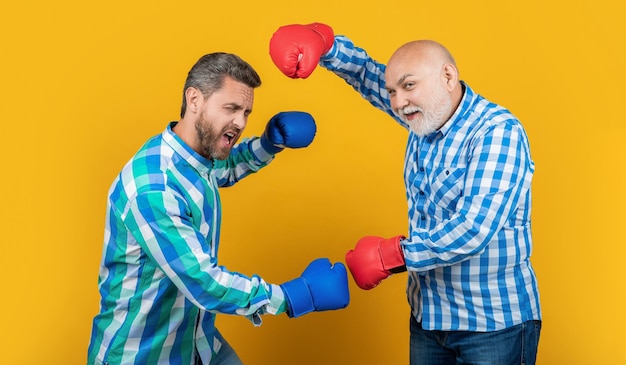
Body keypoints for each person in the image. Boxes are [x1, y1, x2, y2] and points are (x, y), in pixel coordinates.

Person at [269, 23, 542, 365]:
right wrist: (324, 43)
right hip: (428, 318)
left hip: (491, 325)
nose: (398, 102)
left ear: (448, 76)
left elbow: (474, 229)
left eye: (409, 86)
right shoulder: (427, 116)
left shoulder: (497, 132)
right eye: (393, 92)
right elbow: (368, 73)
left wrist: (391, 256)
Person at [87, 52, 350, 365]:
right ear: (194, 99)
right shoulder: (155, 187)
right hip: (143, 354)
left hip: (196, 342)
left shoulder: (191, 158)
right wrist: (294, 296)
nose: (240, 122)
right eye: (232, 108)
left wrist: (267, 144)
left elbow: (220, 170)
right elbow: (204, 282)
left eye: (246, 112)